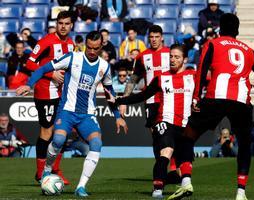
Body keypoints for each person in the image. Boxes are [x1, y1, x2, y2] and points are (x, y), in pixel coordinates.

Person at [167, 13, 254, 200]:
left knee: (186, 137)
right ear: (237, 30)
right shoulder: (248, 50)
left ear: (220, 28)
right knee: (244, 145)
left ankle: (185, 182)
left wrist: (196, 97)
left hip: (216, 97)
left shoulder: (213, 44)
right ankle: (241, 193)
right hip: (241, 101)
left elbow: (202, 69)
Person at [16, 31, 128, 197]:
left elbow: (109, 92)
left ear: (101, 47)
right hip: (67, 110)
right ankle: (46, 170)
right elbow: (43, 69)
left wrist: (117, 117)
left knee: (97, 144)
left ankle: (81, 187)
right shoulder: (72, 57)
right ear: (85, 45)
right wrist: (29, 84)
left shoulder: (104, 67)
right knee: (59, 139)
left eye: (95, 48)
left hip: (87, 114)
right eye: (88, 47)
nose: (91, 51)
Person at [108, 44, 195, 198]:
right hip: (165, 121)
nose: (173, 60)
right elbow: (142, 95)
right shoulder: (161, 78)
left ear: (185, 60)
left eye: (177, 57)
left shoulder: (193, 76)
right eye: (171, 57)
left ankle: (183, 185)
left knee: (185, 159)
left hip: (185, 124)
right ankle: (158, 191)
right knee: (165, 152)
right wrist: (118, 100)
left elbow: (212, 81)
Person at [120, 25, 180, 187]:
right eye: (151, 37)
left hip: (169, 99)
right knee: (156, 135)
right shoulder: (143, 56)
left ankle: (174, 169)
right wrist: (125, 100)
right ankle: (161, 169)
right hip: (151, 101)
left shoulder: (170, 54)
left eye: (156, 37)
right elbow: (134, 79)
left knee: (171, 133)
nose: (153, 40)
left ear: (162, 37)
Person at [25, 10, 74, 185]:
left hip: (62, 95)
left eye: (67, 23)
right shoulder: (46, 41)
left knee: (63, 131)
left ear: (71, 25)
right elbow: (30, 62)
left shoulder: (71, 44)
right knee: (47, 132)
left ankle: (55, 169)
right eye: (60, 23)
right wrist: (51, 74)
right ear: (56, 24)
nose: (63, 27)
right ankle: (40, 174)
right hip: (45, 92)